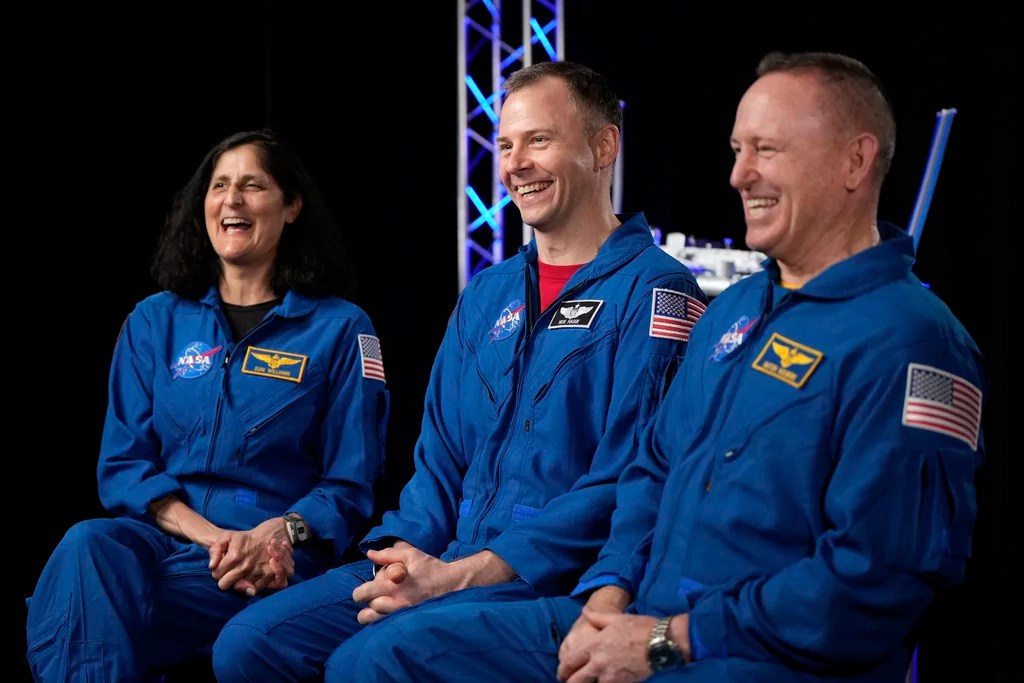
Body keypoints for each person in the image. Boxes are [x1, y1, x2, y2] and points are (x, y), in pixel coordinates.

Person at [330, 51, 989, 683]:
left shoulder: (917, 342)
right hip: (639, 615)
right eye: (738, 151)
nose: (740, 176)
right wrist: (607, 598)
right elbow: (649, 471)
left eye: (768, 150)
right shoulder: (730, 314)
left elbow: (873, 579)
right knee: (374, 661)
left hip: (751, 654)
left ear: (856, 159)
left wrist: (671, 640)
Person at [211, 60, 708, 682]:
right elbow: (439, 460)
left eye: (539, 140)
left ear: (604, 146)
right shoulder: (487, 293)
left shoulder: (658, 292)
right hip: (445, 558)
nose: (515, 163)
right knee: (250, 645)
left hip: (552, 582)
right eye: (505, 144)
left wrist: (460, 575)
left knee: (362, 665)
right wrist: (404, 562)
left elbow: (629, 481)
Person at [24, 129, 389, 681]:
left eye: (252, 186)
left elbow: (350, 484)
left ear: (291, 207)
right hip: (165, 540)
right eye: (219, 186)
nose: (232, 200)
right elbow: (124, 466)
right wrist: (215, 538)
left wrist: (273, 535)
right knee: (87, 543)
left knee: (79, 605)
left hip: (276, 559)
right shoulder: (154, 321)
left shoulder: (341, 329)